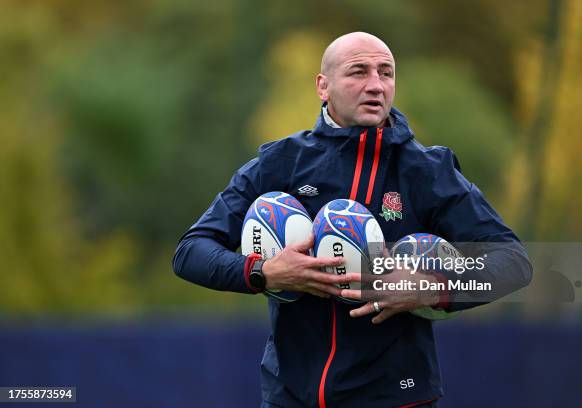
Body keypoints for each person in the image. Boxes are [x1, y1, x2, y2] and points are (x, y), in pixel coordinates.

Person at [173, 32, 532, 408]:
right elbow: (191, 251)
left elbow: (513, 263)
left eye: (386, 73)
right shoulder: (278, 162)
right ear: (323, 87)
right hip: (290, 398)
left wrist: (431, 287)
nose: (376, 84)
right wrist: (263, 271)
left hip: (395, 398)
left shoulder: (429, 171)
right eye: (358, 72)